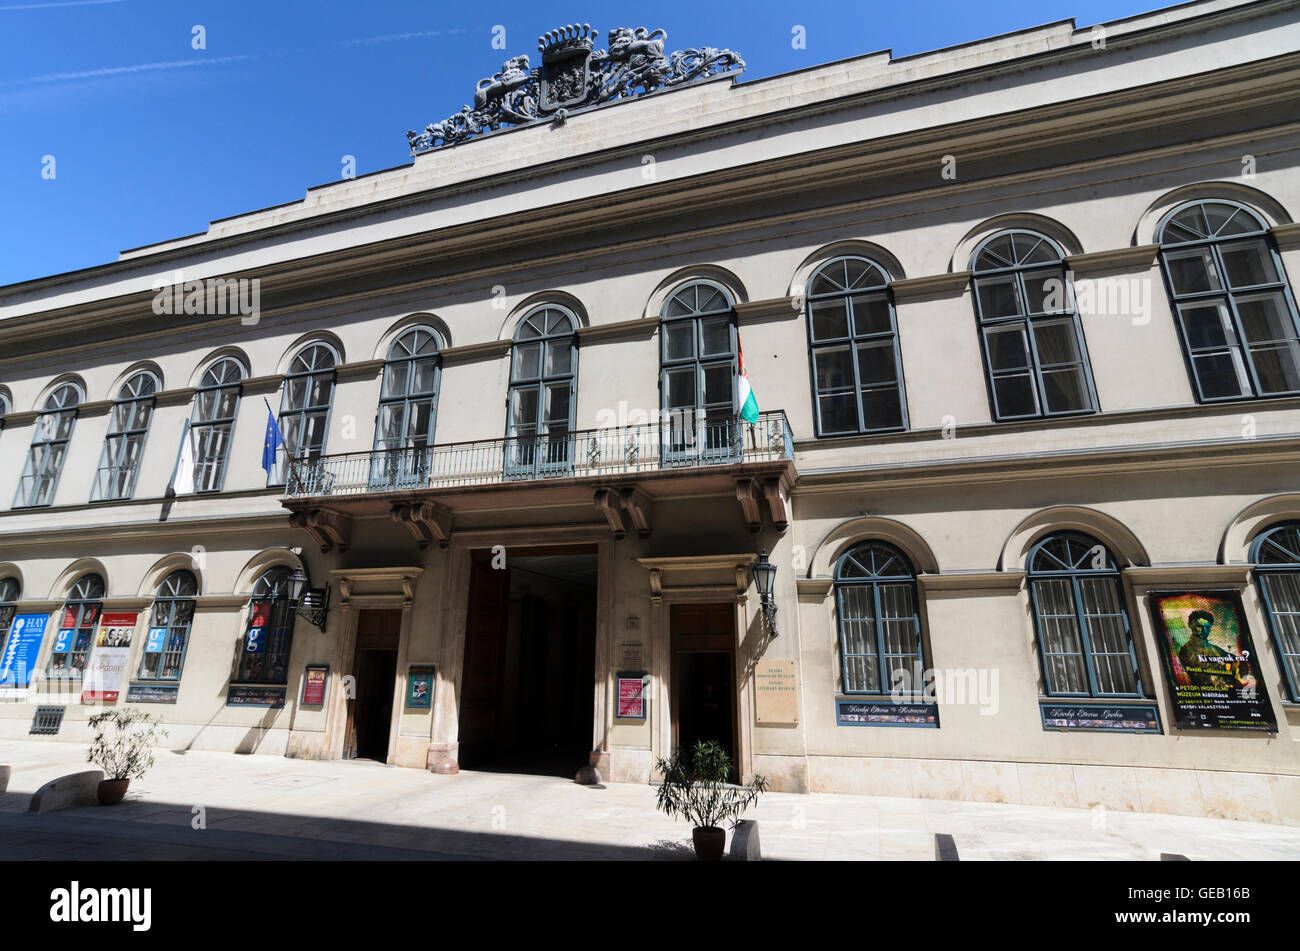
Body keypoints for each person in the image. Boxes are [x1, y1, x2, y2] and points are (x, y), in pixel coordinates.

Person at [1177, 609, 1255, 691]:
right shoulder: (1186, 650)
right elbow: (1202, 676)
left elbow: (1241, 661)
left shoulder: (1215, 649)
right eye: (1199, 626)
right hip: (1203, 695)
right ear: (1190, 625)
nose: (1204, 630)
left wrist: (1237, 678)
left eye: (1207, 627)